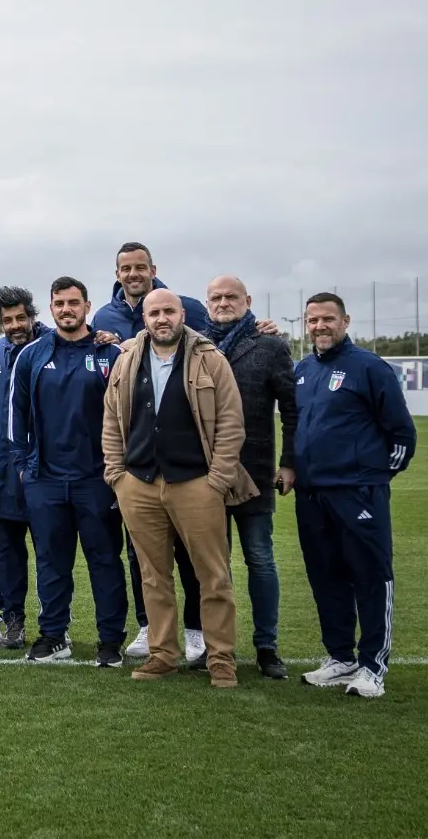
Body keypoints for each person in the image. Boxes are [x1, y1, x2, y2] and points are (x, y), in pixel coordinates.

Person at [102, 290, 255, 689]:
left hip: (197, 484)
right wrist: (117, 475)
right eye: (154, 313)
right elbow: (111, 421)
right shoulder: (127, 360)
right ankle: (163, 654)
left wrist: (218, 479)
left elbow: (231, 423)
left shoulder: (210, 359)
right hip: (139, 483)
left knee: (213, 576)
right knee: (153, 576)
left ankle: (220, 658)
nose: (161, 319)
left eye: (168, 311)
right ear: (146, 319)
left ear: (182, 314)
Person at [292, 293, 416, 699]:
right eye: (313, 320)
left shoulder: (369, 367)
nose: (320, 326)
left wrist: (370, 479)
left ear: (345, 321)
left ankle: (372, 667)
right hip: (312, 496)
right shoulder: (304, 370)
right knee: (326, 576)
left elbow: (401, 434)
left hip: (358, 493)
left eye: (328, 319)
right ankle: (340, 658)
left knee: (370, 574)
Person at [8, 276, 129, 666]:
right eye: (59, 303)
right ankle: (54, 635)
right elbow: (16, 418)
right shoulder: (32, 355)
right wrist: (25, 467)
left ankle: (110, 641)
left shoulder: (110, 354)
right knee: (51, 562)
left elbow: (128, 416)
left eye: (73, 302)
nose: (66, 309)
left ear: (87, 305)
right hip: (45, 480)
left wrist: (116, 471)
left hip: (97, 480)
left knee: (105, 561)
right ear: (51, 307)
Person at [203, 275, 299, 679]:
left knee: (259, 558)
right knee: (212, 565)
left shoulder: (271, 345)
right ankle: (215, 648)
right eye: (216, 298)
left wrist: (289, 461)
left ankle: (267, 646)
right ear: (206, 303)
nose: (223, 303)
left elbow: (292, 410)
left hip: (255, 470)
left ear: (248, 300)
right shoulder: (195, 343)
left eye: (231, 297)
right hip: (205, 474)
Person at [0, 286, 49, 651]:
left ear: (33, 316)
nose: (14, 325)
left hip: (42, 473)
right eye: (7, 320)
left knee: (50, 553)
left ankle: (54, 624)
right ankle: (14, 621)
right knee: (7, 553)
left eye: (20, 317)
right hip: (2, 473)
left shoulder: (51, 347)